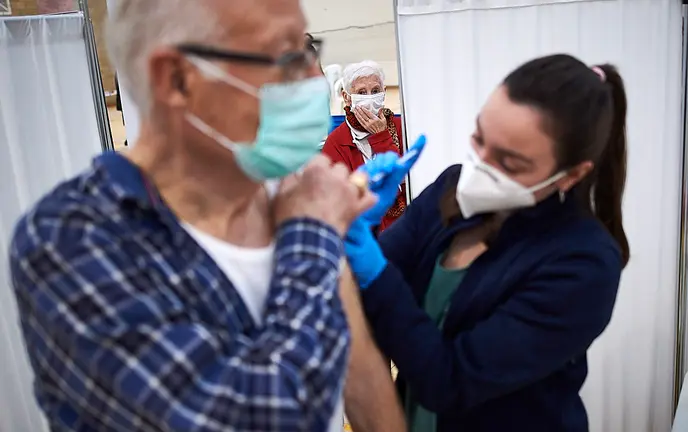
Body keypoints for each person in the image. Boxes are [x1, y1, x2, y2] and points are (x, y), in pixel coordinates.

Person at [8, 0, 404, 431]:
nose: (312, 79)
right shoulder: (71, 240)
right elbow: (264, 419)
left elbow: (361, 380)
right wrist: (312, 235)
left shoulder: (291, 194)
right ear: (177, 80)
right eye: (283, 54)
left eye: (308, 50)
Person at [343, 54, 630, 431]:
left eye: (509, 163)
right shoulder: (451, 189)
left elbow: (447, 381)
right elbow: (367, 301)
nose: (479, 165)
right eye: (479, 138)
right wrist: (352, 222)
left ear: (570, 175)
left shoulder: (584, 264)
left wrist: (370, 267)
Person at [322, 60, 406, 232]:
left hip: (406, 228)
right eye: (361, 92)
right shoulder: (337, 142)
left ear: (383, 93)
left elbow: (403, 181)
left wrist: (381, 137)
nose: (369, 97)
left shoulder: (402, 127)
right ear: (347, 98)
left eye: (375, 91)